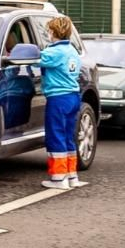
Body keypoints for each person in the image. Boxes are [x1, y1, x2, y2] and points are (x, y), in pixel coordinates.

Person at [39, 16, 84, 190]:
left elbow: (35, 59)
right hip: (73, 96)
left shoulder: (54, 52)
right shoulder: (72, 50)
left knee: (55, 136)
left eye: (49, 30)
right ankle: (72, 176)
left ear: (54, 32)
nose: (48, 33)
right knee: (68, 137)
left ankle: (58, 179)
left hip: (58, 98)